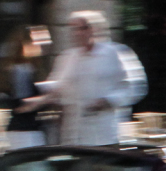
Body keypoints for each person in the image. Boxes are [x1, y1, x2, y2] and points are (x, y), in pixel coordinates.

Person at [29, 11, 146, 146]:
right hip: (74, 134)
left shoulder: (116, 53)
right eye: (74, 29)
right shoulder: (67, 57)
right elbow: (58, 87)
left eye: (83, 28)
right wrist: (38, 93)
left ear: (96, 28)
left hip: (106, 132)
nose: (78, 33)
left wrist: (109, 100)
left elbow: (136, 85)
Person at [0, 26, 50, 149]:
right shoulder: (22, 70)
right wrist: (47, 98)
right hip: (25, 132)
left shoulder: (30, 69)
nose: (45, 45)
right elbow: (22, 104)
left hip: (26, 130)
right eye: (40, 41)